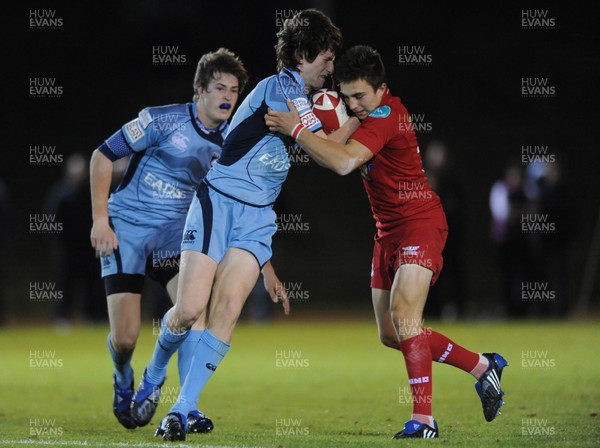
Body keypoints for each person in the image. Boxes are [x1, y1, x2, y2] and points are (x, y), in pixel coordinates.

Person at [131, 9, 357, 441]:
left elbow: (327, 148)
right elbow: (327, 151)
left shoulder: (303, 102)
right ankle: (155, 371)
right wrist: (356, 120)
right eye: (326, 58)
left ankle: (183, 408)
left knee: (229, 309)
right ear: (303, 54)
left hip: (257, 218)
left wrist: (353, 121)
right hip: (218, 202)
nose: (331, 68)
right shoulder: (278, 89)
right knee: (191, 308)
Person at [265, 45, 508, 439]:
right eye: (347, 97)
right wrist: (311, 123)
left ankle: (423, 421)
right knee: (392, 334)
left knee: (406, 317)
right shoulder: (362, 115)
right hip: (387, 234)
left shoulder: (386, 114)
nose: (354, 105)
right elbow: (334, 146)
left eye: (360, 95)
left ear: (381, 89)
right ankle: (483, 366)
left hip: (420, 224)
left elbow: (342, 162)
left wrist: (295, 128)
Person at [90, 48, 286, 433]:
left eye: (233, 89)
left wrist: (265, 265)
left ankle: (186, 405)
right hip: (127, 230)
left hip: (174, 238)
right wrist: (100, 219)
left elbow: (245, 204)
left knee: (192, 308)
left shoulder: (235, 141)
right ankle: (122, 373)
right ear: (199, 90)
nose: (227, 96)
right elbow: (101, 156)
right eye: (218, 87)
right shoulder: (161, 120)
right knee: (127, 336)